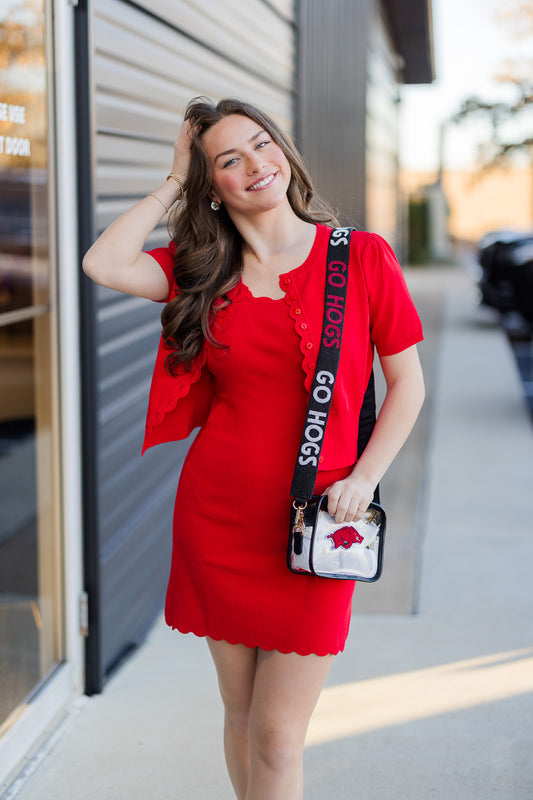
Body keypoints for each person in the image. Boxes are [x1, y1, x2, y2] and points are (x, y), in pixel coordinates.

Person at [83, 96, 425, 800]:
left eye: (261, 144)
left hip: (318, 518)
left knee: (275, 738)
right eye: (227, 161)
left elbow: (407, 386)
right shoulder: (199, 270)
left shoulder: (359, 257)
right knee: (239, 718)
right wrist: (174, 177)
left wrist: (365, 476)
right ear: (213, 185)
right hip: (219, 516)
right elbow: (103, 262)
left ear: (285, 152)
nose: (254, 166)